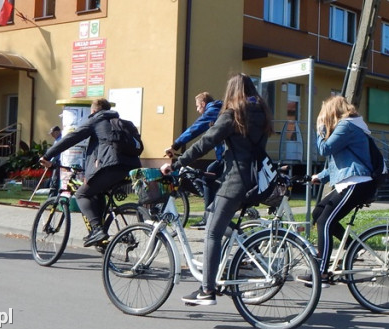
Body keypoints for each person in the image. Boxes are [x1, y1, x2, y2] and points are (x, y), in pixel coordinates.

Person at [160, 74, 272, 306]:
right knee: (212, 213)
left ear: (232, 92)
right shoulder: (262, 114)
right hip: (256, 180)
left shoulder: (233, 115)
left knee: (211, 232)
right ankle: (239, 250)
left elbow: (206, 142)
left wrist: (177, 163)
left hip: (235, 180)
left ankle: (207, 290)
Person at [39, 99, 142, 247]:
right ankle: (102, 239)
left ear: (93, 111)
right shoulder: (125, 123)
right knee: (97, 192)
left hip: (109, 166)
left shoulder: (96, 120)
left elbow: (71, 138)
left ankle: (97, 230)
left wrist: (47, 155)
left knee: (82, 194)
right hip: (130, 168)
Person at [301, 96, 379, 284]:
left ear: (331, 112)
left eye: (324, 115)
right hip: (350, 181)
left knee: (325, 223)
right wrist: (320, 177)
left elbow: (325, 149)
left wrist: (320, 129)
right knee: (319, 212)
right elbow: (342, 162)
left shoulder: (347, 126)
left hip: (356, 183)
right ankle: (354, 248)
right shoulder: (350, 127)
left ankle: (322, 272)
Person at [164, 92, 225, 229]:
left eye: (197, 107)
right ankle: (213, 211)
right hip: (224, 156)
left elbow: (195, 129)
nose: (197, 110)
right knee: (211, 176)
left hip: (228, 156)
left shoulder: (213, 110)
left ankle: (208, 217)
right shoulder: (218, 111)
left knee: (209, 176)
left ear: (203, 104)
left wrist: (176, 145)